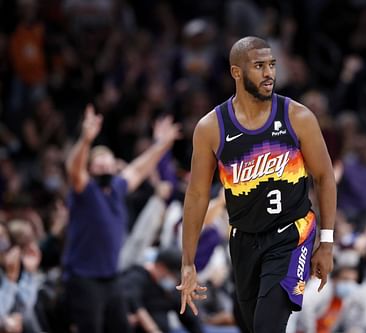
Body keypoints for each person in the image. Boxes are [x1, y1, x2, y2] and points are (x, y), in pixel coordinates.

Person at [177, 36, 337, 333]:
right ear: (236, 72)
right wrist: (188, 262)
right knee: (250, 325)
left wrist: (326, 243)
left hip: (292, 235)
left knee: (266, 327)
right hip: (243, 240)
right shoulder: (211, 127)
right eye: (259, 66)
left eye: (272, 65)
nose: (269, 74)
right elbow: (197, 194)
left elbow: (325, 177)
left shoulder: (297, 117)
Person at [63, 104, 181, 333]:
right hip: (84, 278)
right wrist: (86, 141)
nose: (105, 168)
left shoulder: (117, 187)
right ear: (90, 169)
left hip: (111, 277)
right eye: (99, 166)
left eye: (109, 164)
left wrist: (161, 145)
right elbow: (74, 170)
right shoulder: (85, 190)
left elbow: (138, 169)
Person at [120, 247, 203, 333]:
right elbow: (134, 303)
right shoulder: (136, 277)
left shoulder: (169, 289)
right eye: (172, 274)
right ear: (160, 266)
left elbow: (189, 318)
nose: (174, 279)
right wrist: (153, 329)